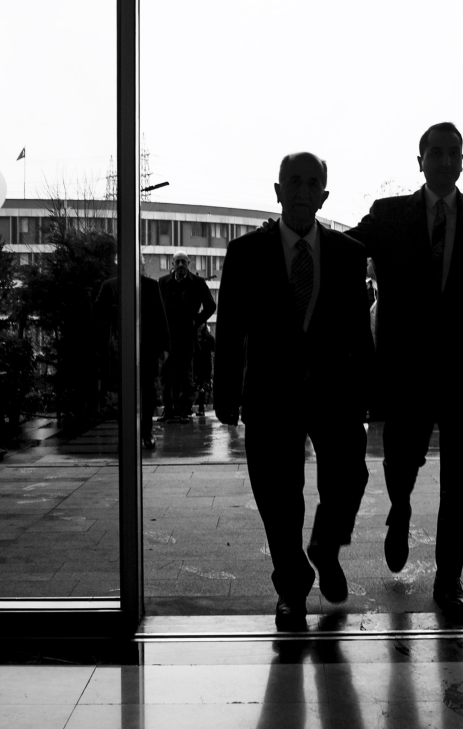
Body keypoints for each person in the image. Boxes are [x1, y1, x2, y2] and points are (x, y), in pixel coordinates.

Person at [349, 122, 463, 621]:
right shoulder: (389, 214)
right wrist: (296, 231)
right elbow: (348, 250)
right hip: (404, 369)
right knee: (400, 464)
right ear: (419, 161)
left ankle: (449, 579)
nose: (445, 161)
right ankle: (399, 512)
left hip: (461, 369)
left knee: (457, 478)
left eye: (453, 153)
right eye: (435, 153)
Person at [216, 151, 375, 628]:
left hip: (336, 393)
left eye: (313, 183)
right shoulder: (245, 254)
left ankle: (326, 548)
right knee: (277, 496)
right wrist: (225, 395)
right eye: (294, 181)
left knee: (349, 478)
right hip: (270, 394)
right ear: (278, 190)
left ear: (324, 194)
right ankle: (291, 587)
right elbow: (229, 332)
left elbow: (358, 331)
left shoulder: (349, 255)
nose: (303, 191)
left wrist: (369, 389)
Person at [93, 270, 170, 448]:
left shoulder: (151, 285)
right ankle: (127, 434)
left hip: (147, 348)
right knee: (124, 391)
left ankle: (146, 432)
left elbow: (160, 316)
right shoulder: (110, 286)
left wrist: (165, 347)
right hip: (121, 349)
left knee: (148, 391)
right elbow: (97, 313)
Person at [160, 254, 217, 418]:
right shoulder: (163, 282)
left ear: (188, 264)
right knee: (167, 374)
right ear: (172, 264)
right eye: (177, 262)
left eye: (183, 262)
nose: (180, 265)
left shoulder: (197, 283)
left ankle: (184, 411)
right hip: (168, 337)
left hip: (186, 336)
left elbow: (211, 306)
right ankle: (169, 410)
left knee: (186, 375)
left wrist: (196, 321)